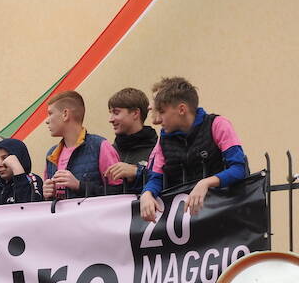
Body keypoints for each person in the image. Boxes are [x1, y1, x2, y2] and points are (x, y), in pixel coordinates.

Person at [140, 77, 249, 222]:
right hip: (186, 222)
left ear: (181, 109)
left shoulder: (218, 124)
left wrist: (206, 183)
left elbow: (239, 168)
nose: (159, 119)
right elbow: (156, 177)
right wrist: (147, 194)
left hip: (224, 216)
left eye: (162, 111)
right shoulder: (164, 138)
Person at [42, 91, 121, 200]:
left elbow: (119, 193)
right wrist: (47, 195)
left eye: (50, 113)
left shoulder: (100, 146)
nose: (47, 121)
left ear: (65, 114)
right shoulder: (51, 154)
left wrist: (79, 186)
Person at [102, 88, 158, 193]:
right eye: (111, 113)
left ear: (135, 113)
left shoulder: (157, 150)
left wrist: (137, 172)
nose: (111, 119)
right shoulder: (107, 152)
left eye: (116, 112)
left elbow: (166, 182)